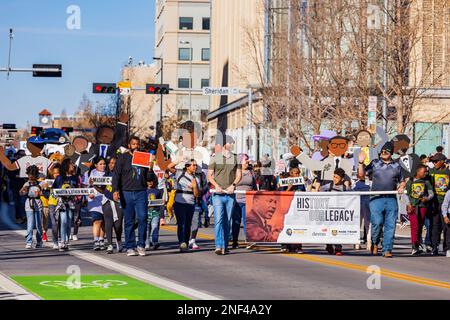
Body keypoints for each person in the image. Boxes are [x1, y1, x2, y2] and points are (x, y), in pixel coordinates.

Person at [358, 141, 406, 258]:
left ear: (391, 153)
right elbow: (361, 175)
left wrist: (401, 186)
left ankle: (387, 249)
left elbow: (403, 180)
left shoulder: (397, 166)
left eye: (386, 151)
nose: (383, 153)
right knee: (377, 223)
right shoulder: (375, 163)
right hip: (376, 198)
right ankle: (375, 243)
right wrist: (360, 163)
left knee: (391, 225)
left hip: (391, 199)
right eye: (382, 151)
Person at [112, 136, 152, 257]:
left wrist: (150, 168)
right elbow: (116, 175)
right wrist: (115, 190)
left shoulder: (143, 157)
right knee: (129, 220)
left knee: (142, 218)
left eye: (137, 144)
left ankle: (141, 245)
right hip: (126, 192)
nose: (136, 146)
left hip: (141, 192)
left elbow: (150, 179)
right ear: (129, 145)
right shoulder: (123, 158)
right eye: (133, 144)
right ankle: (130, 246)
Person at [208, 135, 242, 255]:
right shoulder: (215, 157)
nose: (232, 144)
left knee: (227, 221)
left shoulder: (236, 158)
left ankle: (225, 245)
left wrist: (233, 185)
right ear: (224, 144)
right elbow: (209, 175)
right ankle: (218, 245)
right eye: (230, 142)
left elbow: (239, 175)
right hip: (218, 194)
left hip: (230, 194)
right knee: (218, 220)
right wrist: (216, 186)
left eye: (232, 142)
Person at [167, 158, 199, 252]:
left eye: (196, 165)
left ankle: (186, 242)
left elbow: (197, 194)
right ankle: (181, 243)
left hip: (190, 203)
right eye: (193, 165)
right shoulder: (180, 173)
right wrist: (179, 160)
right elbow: (169, 167)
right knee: (181, 224)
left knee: (188, 224)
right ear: (187, 166)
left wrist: (195, 186)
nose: (195, 167)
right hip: (179, 202)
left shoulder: (196, 178)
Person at [52, 158, 83, 252]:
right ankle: (63, 242)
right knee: (64, 221)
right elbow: (53, 189)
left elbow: (78, 189)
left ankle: (67, 240)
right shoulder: (59, 177)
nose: (73, 165)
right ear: (66, 166)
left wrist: (80, 197)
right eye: (71, 164)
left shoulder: (75, 177)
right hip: (61, 203)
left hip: (72, 203)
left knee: (69, 222)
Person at [320, 168, 350, 256]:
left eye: (337, 177)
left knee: (338, 230)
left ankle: (338, 248)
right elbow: (320, 191)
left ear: (342, 179)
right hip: (329, 212)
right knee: (328, 230)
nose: (334, 179)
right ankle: (328, 245)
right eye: (334, 176)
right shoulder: (328, 186)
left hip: (339, 213)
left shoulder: (345, 188)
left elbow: (352, 197)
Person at [405, 164, 434, 255]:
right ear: (418, 172)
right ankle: (414, 246)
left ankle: (418, 244)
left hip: (422, 206)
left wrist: (427, 198)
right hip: (412, 206)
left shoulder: (426, 182)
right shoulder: (410, 181)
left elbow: (431, 193)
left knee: (420, 226)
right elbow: (406, 194)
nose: (425, 173)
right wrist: (408, 204)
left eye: (426, 171)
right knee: (415, 226)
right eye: (424, 171)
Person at [231, 154, 257, 249]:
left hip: (248, 200)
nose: (248, 161)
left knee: (248, 221)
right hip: (236, 200)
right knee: (236, 221)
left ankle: (249, 240)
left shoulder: (251, 172)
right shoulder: (234, 172)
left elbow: (254, 186)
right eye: (246, 159)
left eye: (248, 159)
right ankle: (234, 241)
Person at [279, 164, 305, 254]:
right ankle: (285, 245)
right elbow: (281, 195)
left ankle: (298, 246)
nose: (297, 175)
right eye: (296, 173)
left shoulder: (300, 183)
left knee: (298, 227)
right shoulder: (285, 182)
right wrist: (289, 189)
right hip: (287, 208)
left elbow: (304, 193)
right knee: (286, 225)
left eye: (298, 173)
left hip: (297, 208)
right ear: (291, 174)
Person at [100, 157, 124, 254]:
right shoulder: (105, 175)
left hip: (118, 202)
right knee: (108, 223)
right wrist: (94, 185)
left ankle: (118, 240)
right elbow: (102, 190)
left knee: (118, 225)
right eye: (109, 163)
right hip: (107, 201)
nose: (111, 165)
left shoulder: (121, 175)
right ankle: (109, 244)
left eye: (113, 163)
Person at [428, 153, 450, 255]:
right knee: (435, 226)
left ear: (442, 161)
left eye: (436, 161)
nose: (434, 163)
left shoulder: (448, 173)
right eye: (433, 161)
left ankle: (447, 248)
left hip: (446, 204)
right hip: (434, 203)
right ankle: (434, 246)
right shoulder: (431, 172)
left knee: (446, 226)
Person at [19, 165, 45, 249]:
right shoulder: (27, 183)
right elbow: (21, 193)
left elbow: (45, 190)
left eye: (32, 175)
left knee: (39, 225)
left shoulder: (40, 183)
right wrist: (23, 191)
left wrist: (41, 192)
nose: (30, 176)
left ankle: (39, 241)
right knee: (30, 224)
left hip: (38, 204)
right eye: (29, 174)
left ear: (36, 175)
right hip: (29, 204)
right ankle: (29, 241)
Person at [84, 157, 107, 251]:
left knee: (104, 221)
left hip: (105, 199)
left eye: (104, 164)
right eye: (101, 164)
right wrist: (88, 194)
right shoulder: (89, 173)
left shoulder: (108, 173)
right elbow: (85, 186)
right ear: (95, 165)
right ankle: (96, 240)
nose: (103, 166)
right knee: (97, 220)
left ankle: (102, 239)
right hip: (94, 200)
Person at [145, 172, 163, 251]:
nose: (150, 182)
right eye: (148, 181)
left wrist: (162, 215)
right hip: (146, 212)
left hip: (155, 212)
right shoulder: (143, 191)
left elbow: (161, 204)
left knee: (155, 226)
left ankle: (155, 241)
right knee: (147, 228)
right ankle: (147, 243)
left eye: (152, 180)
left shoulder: (158, 191)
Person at [353, 173, 370, 249]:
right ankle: (357, 243)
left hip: (367, 203)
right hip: (358, 204)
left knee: (368, 224)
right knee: (357, 224)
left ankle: (369, 243)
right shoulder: (355, 183)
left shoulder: (369, 182)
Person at [438, 188, 450, 257]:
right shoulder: (449, 192)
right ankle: (448, 249)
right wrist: (445, 216)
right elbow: (445, 205)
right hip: (448, 214)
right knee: (448, 233)